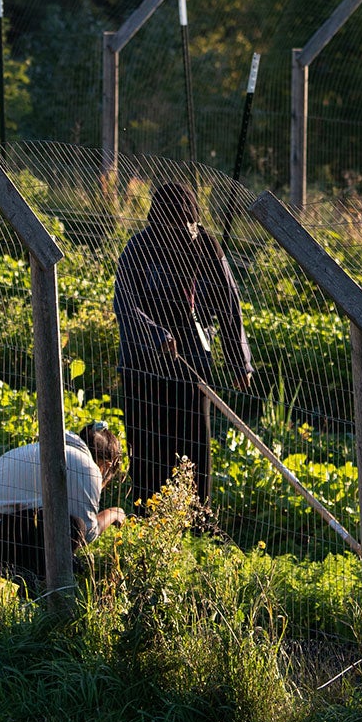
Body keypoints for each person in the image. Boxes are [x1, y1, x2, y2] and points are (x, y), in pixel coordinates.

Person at [113, 179, 254, 513]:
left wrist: (239, 361)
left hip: (192, 362)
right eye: (175, 227)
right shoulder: (139, 249)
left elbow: (229, 304)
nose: (185, 233)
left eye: (189, 226)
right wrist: (155, 334)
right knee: (148, 446)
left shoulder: (207, 247)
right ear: (158, 223)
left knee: (194, 446)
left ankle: (197, 517)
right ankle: (147, 515)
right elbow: (124, 305)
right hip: (144, 365)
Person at [0, 421, 125, 583]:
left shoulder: (37, 449)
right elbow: (87, 534)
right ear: (106, 466)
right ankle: (34, 585)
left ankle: (30, 579)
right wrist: (112, 514)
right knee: (74, 526)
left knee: (57, 525)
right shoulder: (88, 467)